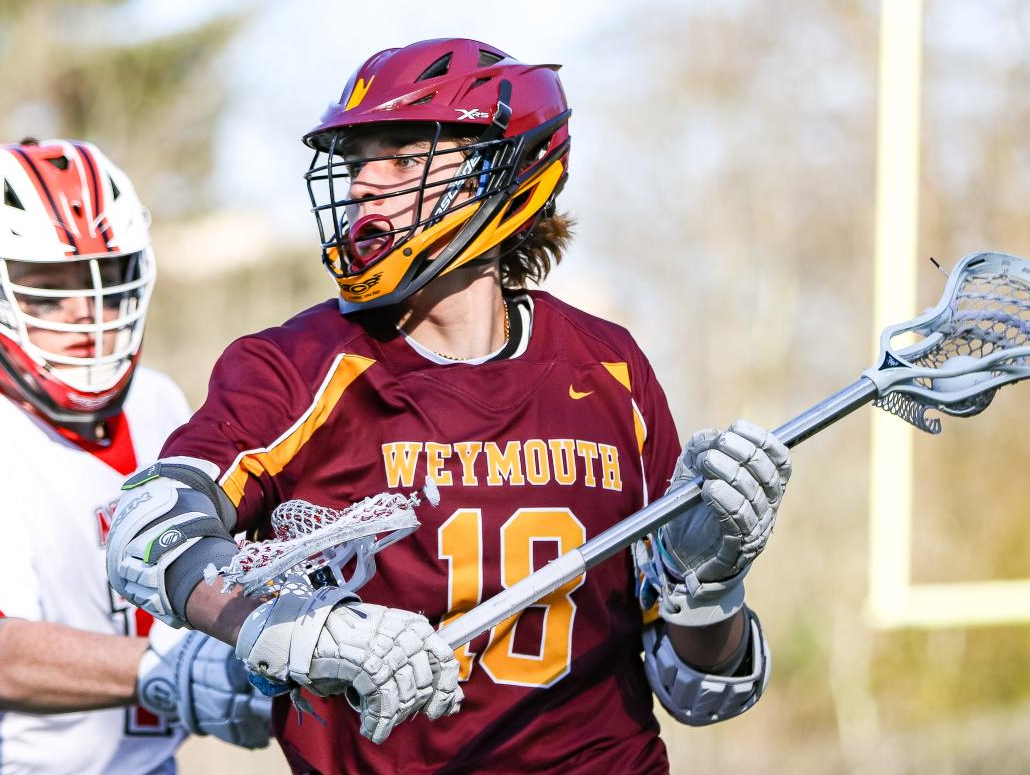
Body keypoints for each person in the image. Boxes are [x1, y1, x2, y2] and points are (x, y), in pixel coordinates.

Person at [106, 38, 790, 773]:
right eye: (356, 159)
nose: (364, 182)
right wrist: (287, 630)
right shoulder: (296, 367)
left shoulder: (609, 367)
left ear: (504, 169)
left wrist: (711, 587)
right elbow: (148, 533)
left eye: (401, 158)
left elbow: (701, 690)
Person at [0, 139, 270, 774]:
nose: (87, 314)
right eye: (47, 291)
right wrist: (173, 671)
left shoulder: (156, 400)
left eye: (107, 280)